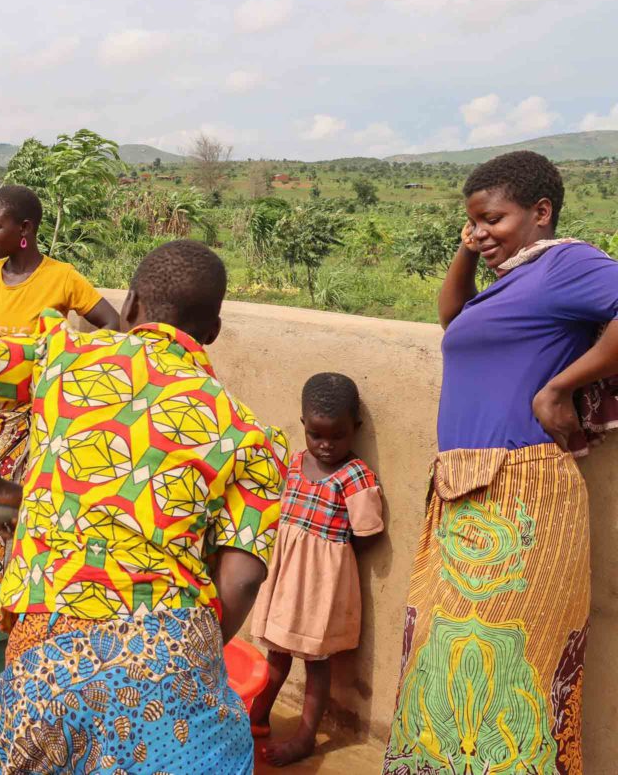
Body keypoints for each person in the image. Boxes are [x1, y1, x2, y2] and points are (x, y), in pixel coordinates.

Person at [0, 240, 289, 774]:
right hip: (172, 640)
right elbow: (242, 582)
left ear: (132, 305)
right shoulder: (250, 434)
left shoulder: (63, 356)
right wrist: (168, 654)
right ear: (212, 332)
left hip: (48, 636)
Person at [384, 151, 618, 775]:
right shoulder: (514, 277)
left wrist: (559, 387)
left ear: (542, 212)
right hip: (464, 492)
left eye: (493, 219)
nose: (481, 233)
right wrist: (469, 248)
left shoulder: (569, 263)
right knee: (440, 663)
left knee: (512, 668)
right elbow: (451, 319)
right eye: (472, 222)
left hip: (526, 494)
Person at [0, 184, 120, 584]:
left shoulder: (61, 278)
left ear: (24, 228)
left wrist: (71, 364)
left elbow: (111, 324)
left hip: (46, 416)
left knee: (38, 511)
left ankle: (33, 598)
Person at [249, 372, 384, 766]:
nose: (325, 446)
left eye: (337, 436)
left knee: (316, 661)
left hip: (321, 587)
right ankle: (258, 716)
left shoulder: (355, 477)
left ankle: (306, 735)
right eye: (316, 435)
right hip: (287, 579)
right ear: (303, 425)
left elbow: (368, 533)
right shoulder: (294, 462)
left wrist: (330, 560)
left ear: (355, 429)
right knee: (276, 653)